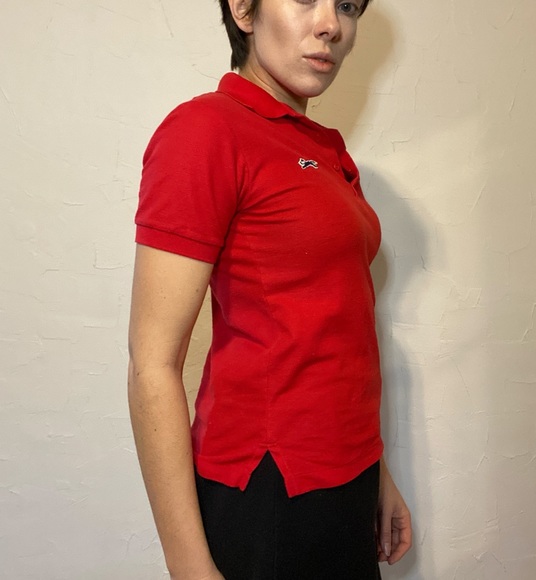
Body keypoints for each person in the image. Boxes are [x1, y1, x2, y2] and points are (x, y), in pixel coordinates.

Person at [128, 1, 412, 578]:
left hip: (346, 477)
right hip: (270, 491)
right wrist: (189, 565)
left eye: (348, 6)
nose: (332, 24)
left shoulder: (324, 150)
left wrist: (375, 470)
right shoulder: (206, 130)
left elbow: (331, 329)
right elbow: (151, 364)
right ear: (243, 9)